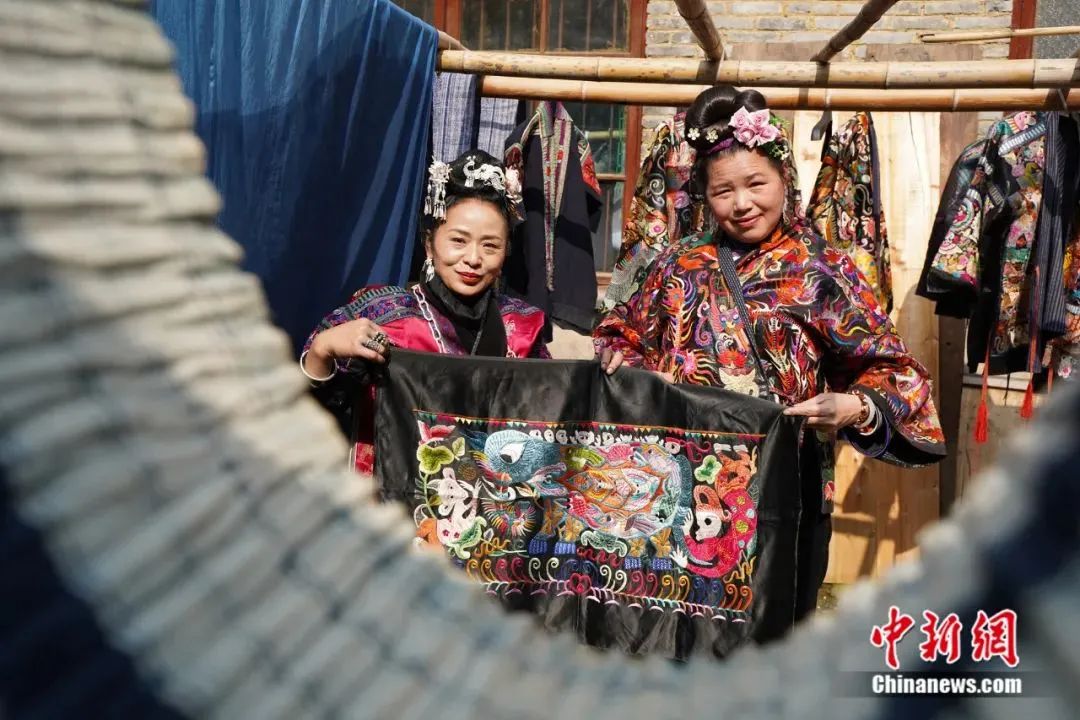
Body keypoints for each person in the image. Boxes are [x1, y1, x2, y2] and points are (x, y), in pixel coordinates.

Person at [593, 86, 946, 621]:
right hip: (682, 491)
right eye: (723, 191)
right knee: (678, 636)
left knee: (774, 631)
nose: (742, 204)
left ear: (784, 177)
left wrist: (854, 406)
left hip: (786, 489)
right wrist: (623, 359)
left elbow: (895, 370)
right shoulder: (675, 263)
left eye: (756, 183)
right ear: (703, 194)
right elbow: (620, 329)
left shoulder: (821, 269)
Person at [302, 149, 550, 475]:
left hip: (495, 496)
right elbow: (312, 413)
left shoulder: (522, 324)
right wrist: (322, 349)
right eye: (458, 240)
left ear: (506, 253)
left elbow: (550, 414)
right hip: (392, 495)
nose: (473, 258)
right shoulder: (382, 315)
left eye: (490, 245)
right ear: (430, 243)